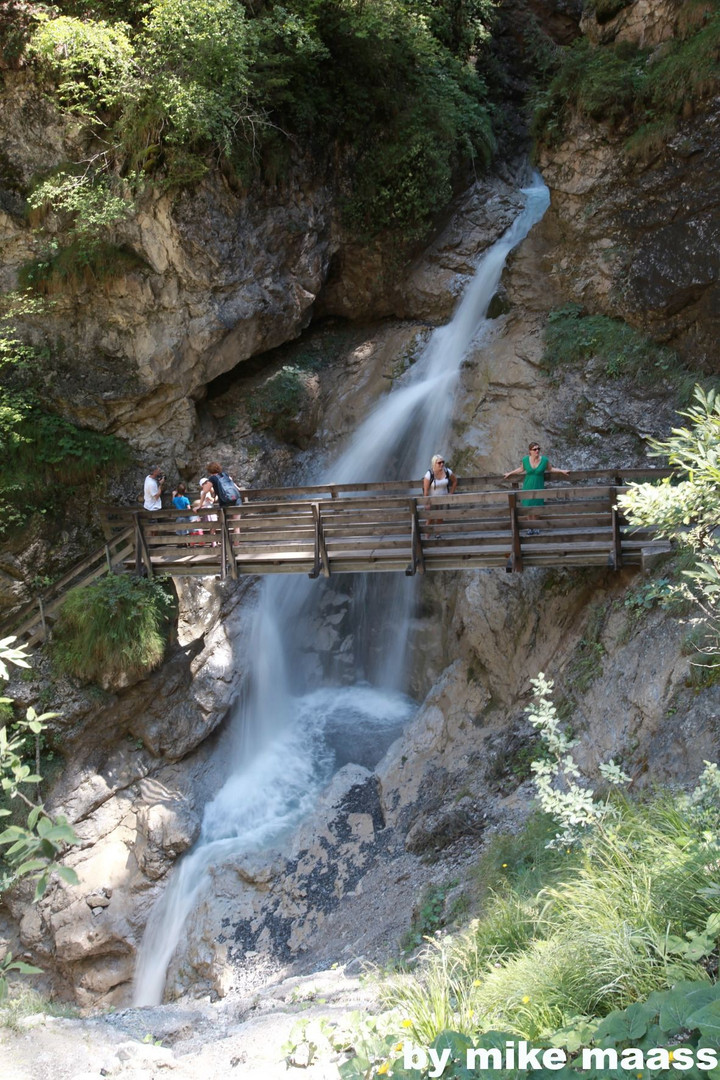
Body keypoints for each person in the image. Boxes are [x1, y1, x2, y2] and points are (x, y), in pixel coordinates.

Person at [504, 442, 569, 528]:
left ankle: (536, 526)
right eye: (534, 449)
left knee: (536, 508)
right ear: (530, 451)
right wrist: (510, 473)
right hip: (528, 486)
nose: (537, 451)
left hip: (538, 487)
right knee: (528, 507)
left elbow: (551, 469)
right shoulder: (525, 460)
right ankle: (530, 527)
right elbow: (521, 469)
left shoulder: (544, 460)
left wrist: (562, 471)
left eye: (538, 449)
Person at [423, 454, 458, 534]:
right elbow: (426, 490)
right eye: (439, 463)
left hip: (443, 498)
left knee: (440, 517)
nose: (442, 464)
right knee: (430, 518)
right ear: (434, 464)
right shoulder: (429, 474)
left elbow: (455, 481)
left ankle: (437, 534)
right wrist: (426, 502)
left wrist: (451, 493)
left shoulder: (447, 471)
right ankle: (426, 537)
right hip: (432, 499)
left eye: (443, 462)